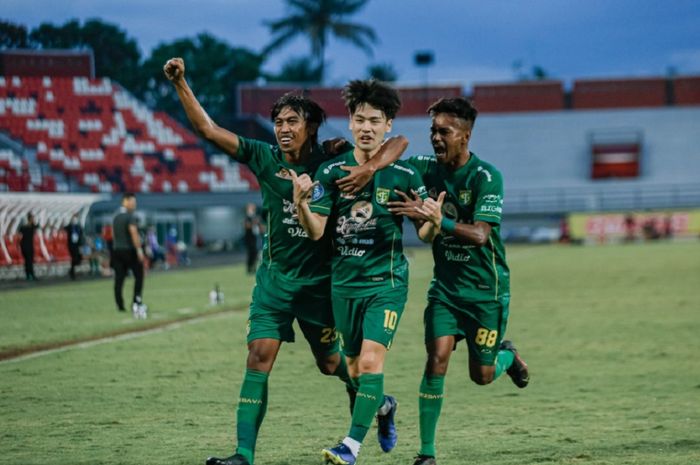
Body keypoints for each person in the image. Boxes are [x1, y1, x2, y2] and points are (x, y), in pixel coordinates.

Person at [164, 58, 407, 465]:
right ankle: (243, 454)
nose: (282, 128)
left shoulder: (334, 159)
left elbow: (397, 144)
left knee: (332, 365)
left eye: (292, 120)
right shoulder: (264, 157)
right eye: (278, 121)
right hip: (275, 283)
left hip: (321, 286)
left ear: (311, 126)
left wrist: (369, 169)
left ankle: (379, 404)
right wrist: (181, 82)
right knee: (258, 356)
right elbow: (207, 129)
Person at [292, 79, 432, 465]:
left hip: (385, 285)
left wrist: (432, 220)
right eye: (359, 119)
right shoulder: (331, 171)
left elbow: (425, 233)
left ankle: (349, 447)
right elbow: (316, 229)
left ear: (387, 125)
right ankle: (384, 407)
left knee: (371, 363)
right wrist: (302, 205)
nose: (366, 127)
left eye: (375, 120)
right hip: (344, 286)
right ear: (350, 123)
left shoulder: (404, 174)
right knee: (353, 370)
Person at [387, 97, 530, 465]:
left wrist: (438, 221)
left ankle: (507, 356)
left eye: (444, 131)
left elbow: (482, 235)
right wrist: (350, 150)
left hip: (486, 293)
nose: (436, 137)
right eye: (433, 130)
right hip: (446, 292)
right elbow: (393, 153)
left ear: (464, 136)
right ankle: (426, 454)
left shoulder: (486, 177)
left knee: (481, 376)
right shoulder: (424, 167)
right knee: (436, 360)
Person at [112, 193, 147, 318]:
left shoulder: (115, 217)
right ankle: (136, 301)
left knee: (119, 278)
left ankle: (119, 304)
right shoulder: (130, 217)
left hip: (117, 250)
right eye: (132, 202)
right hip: (129, 250)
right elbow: (133, 233)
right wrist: (139, 250)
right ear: (125, 201)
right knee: (139, 276)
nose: (134, 204)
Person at [243, 203, 262, 274]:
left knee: (255, 253)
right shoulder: (247, 217)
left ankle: (254, 267)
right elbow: (246, 226)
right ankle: (249, 268)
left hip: (255, 237)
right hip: (249, 238)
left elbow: (260, 227)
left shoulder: (254, 217)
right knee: (250, 253)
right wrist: (254, 222)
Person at [19, 212, 39, 281]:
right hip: (25, 246)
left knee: (29, 261)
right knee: (28, 261)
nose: (33, 219)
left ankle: (30, 275)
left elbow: (37, 226)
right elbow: (20, 231)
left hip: (30, 246)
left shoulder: (32, 226)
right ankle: (30, 275)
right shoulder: (24, 227)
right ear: (29, 219)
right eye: (32, 218)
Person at [64, 213, 84, 280]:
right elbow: (65, 228)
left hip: (77, 245)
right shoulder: (70, 227)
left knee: (78, 258)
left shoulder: (78, 227)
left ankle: (71, 271)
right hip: (71, 245)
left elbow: (81, 234)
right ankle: (72, 272)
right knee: (74, 258)